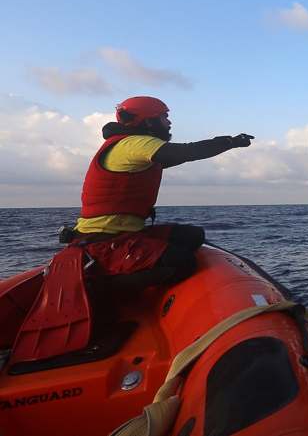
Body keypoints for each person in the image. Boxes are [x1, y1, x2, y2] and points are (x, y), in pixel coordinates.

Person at [75, 96, 252, 302]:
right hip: (105, 240)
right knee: (181, 262)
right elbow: (188, 151)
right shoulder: (133, 144)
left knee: (193, 236)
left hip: (127, 234)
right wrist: (231, 142)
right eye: (164, 117)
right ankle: (95, 287)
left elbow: (181, 154)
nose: (168, 123)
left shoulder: (135, 149)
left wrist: (223, 142)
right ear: (149, 121)